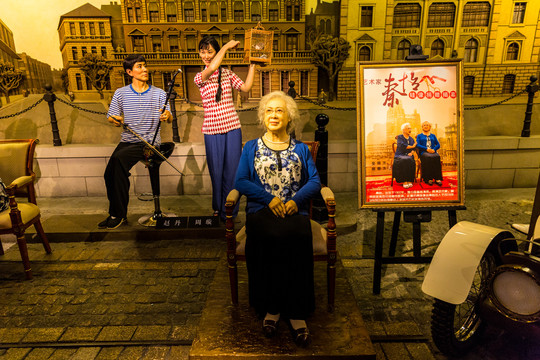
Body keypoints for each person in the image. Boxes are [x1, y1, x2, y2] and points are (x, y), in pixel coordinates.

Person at [234, 91, 321, 347]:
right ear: (263, 116)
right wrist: (268, 199)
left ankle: (296, 312)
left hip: (295, 210)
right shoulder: (251, 147)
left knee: (297, 235)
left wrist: (295, 201)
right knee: (269, 236)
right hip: (261, 210)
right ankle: (271, 308)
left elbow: (315, 181)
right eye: (269, 110)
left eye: (279, 110)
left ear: (289, 117)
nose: (274, 115)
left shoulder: (301, 149)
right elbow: (241, 181)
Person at [98, 54, 172, 229]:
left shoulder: (160, 93)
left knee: (117, 161)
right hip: (128, 140)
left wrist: (167, 115)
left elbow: (169, 117)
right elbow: (112, 117)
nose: (145, 69)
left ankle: (117, 214)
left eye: (145, 66)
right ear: (129, 72)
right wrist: (115, 119)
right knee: (110, 173)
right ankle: (118, 213)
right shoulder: (120, 93)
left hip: (148, 143)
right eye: (139, 66)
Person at [195, 36, 256, 220]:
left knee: (233, 171)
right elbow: (212, 67)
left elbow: (245, 88)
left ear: (216, 52)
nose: (206, 55)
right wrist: (228, 46)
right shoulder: (200, 77)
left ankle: (230, 210)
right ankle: (218, 208)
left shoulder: (228, 74)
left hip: (232, 127)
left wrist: (253, 65)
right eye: (203, 52)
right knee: (217, 172)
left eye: (210, 51)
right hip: (212, 130)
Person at [416, 121, 443, 186]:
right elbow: (417, 145)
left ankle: (437, 178)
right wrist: (426, 149)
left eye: (427, 125)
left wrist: (434, 149)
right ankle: (428, 179)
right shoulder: (419, 136)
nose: (425, 126)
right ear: (422, 127)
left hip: (433, 151)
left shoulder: (433, 136)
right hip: (424, 152)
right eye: (424, 125)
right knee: (428, 157)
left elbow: (438, 145)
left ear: (430, 127)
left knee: (437, 156)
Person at [393, 123, 416, 189]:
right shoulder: (400, 137)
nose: (410, 129)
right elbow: (402, 146)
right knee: (404, 160)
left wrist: (411, 152)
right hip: (400, 155)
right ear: (403, 130)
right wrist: (413, 146)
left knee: (410, 159)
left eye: (410, 128)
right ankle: (404, 181)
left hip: (409, 155)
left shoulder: (411, 139)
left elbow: (414, 149)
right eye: (408, 128)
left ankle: (409, 180)